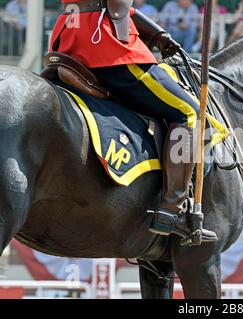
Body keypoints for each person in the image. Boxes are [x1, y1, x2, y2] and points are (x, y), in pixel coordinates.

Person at [49, 0, 218, 245]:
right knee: (190, 113)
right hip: (107, 46)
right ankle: (173, 211)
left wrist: (157, 35)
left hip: (68, 39)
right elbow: (117, 5)